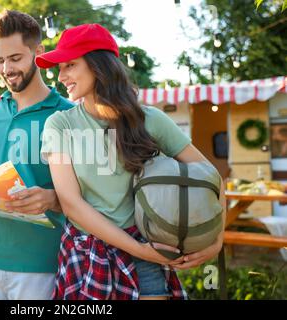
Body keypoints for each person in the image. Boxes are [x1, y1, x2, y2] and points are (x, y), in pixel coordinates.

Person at [36, 23, 226, 300]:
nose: (61, 75)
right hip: (86, 254)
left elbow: (212, 178)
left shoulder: (151, 119)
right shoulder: (60, 124)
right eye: (60, 67)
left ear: (98, 66)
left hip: (146, 256)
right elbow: (71, 204)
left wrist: (216, 241)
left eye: (70, 65)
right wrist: (139, 250)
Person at [0, 10, 74, 300]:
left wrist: (53, 198)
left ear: (38, 53)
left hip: (41, 264)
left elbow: (94, 191)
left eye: (15, 59)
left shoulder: (68, 114)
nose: (6, 69)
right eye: (0, 60)